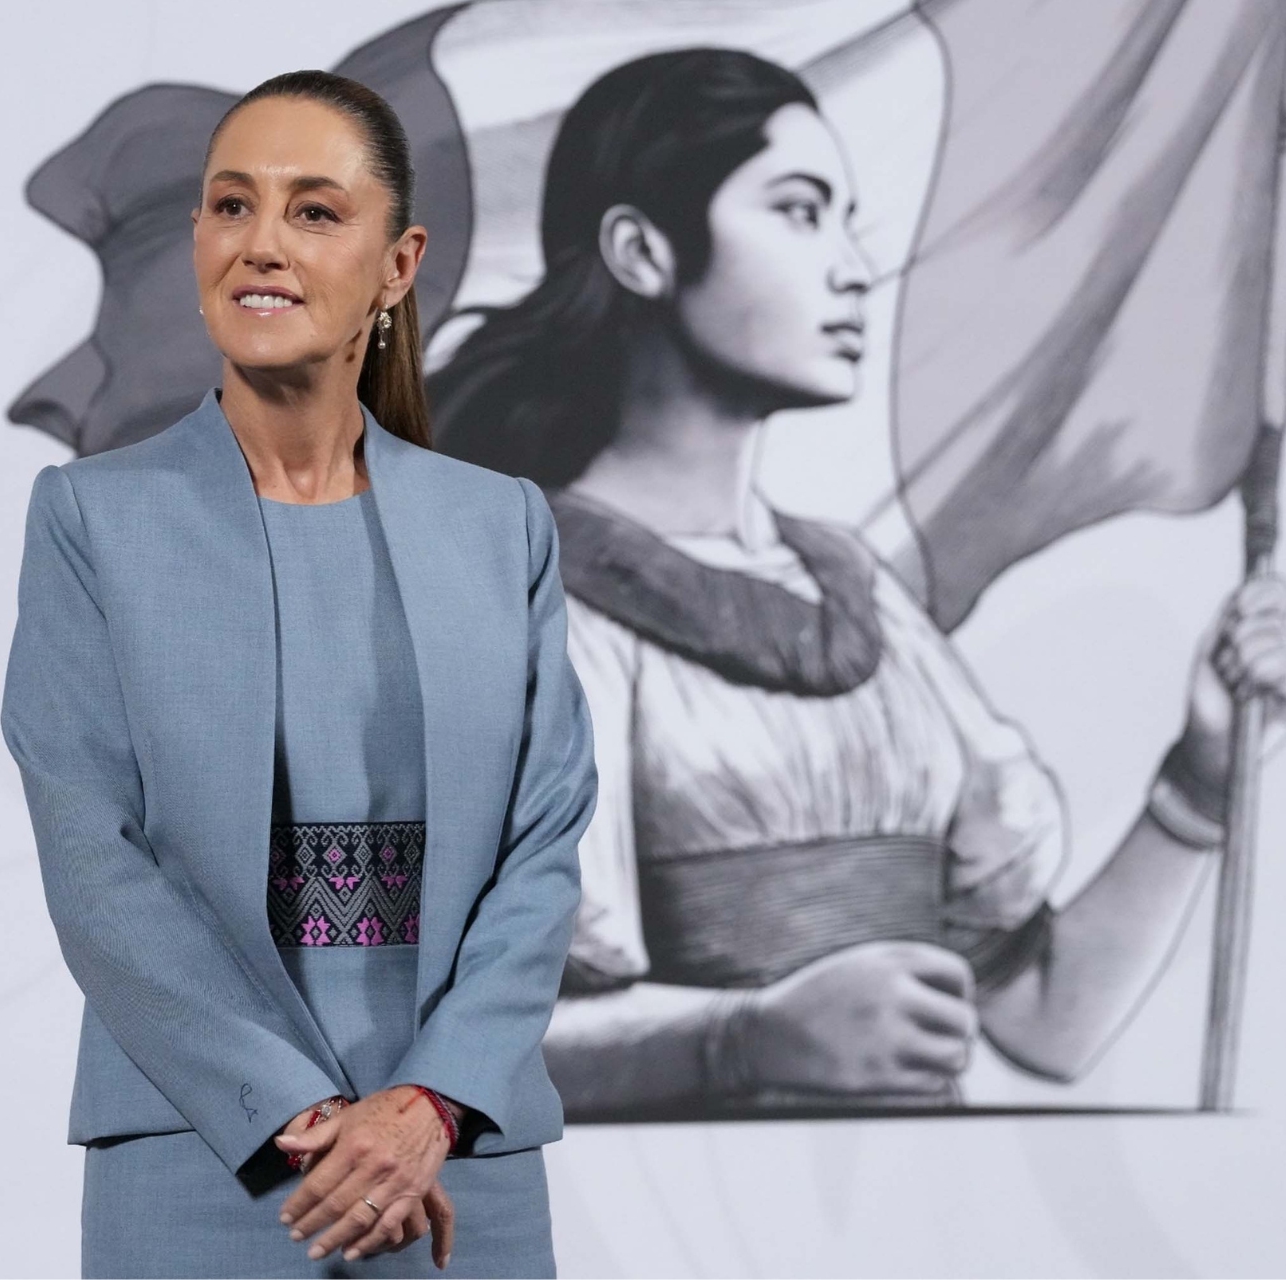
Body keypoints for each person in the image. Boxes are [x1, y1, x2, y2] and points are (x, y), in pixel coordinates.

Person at [431, 48, 1286, 1115]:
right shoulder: (518, 599)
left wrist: (1201, 778)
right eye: (799, 212)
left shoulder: (862, 597)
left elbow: (1047, 1020)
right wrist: (741, 1038)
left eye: (847, 219)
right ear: (642, 252)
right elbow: (442, 1045)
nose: (851, 267)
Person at [2, 69, 597, 1276]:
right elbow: (92, 855)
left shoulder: (503, 525)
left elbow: (543, 848)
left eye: (314, 211)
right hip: (203, 1147)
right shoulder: (92, 518)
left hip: (459, 1157)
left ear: (398, 264)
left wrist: (426, 1106)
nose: (261, 243)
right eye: (232, 205)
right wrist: (301, 1113)